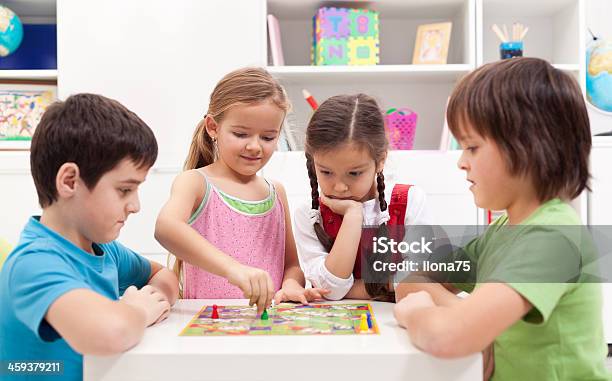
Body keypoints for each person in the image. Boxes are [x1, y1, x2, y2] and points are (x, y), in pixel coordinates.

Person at [393, 57, 611, 380]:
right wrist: (472, 325)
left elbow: (446, 336)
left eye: (472, 147)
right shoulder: (503, 231)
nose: (461, 163)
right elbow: (408, 280)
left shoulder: (553, 238)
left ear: (527, 147)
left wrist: (421, 313)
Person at [0, 93, 179, 381]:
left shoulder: (106, 251)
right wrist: (137, 312)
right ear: (70, 181)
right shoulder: (32, 264)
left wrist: (152, 300)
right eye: (124, 190)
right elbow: (110, 332)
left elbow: (166, 277)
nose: (135, 206)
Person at [155, 67, 328, 314]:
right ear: (213, 127)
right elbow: (165, 227)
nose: (255, 146)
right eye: (240, 134)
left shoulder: (276, 192)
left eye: (268, 137)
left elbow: (291, 265)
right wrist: (233, 269)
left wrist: (291, 284)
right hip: (206, 328)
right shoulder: (195, 183)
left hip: (266, 327)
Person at [293, 93, 432, 302]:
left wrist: (356, 290)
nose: (339, 187)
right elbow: (332, 290)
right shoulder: (310, 214)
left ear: (381, 159)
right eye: (326, 172)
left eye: (354, 173)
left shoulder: (409, 200)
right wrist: (353, 216)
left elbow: (421, 275)